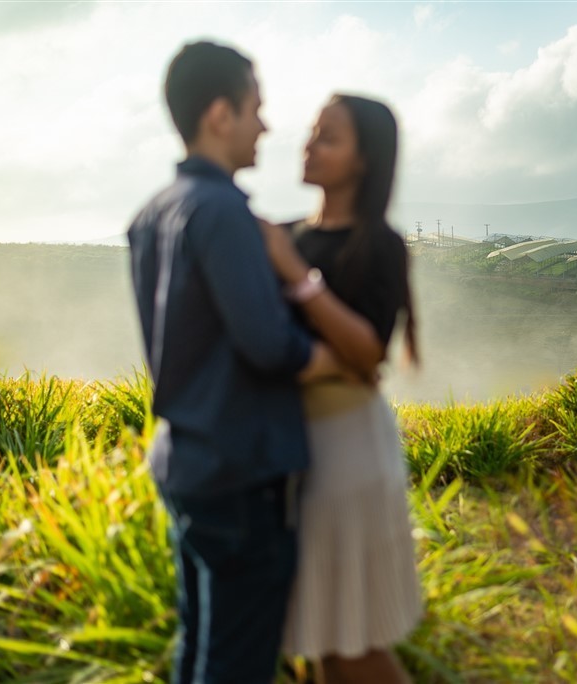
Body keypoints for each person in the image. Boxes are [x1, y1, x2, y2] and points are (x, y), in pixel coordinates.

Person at [127, 41, 344, 684]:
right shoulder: (225, 212)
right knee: (236, 665)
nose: (266, 126)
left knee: (199, 646)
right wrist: (333, 358)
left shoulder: (152, 212)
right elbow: (268, 345)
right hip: (241, 471)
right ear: (221, 113)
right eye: (256, 108)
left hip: (187, 461)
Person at [259, 94, 423, 684]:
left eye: (329, 137)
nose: (309, 145)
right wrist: (321, 360)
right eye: (312, 132)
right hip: (292, 452)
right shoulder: (286, 235)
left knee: (351, 645)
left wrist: (299, 280)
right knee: (322, 641)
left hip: (346, 453)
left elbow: (368, 350)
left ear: (363, 160)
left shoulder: (375, 243)